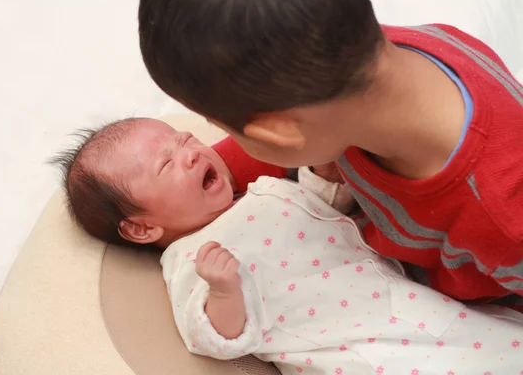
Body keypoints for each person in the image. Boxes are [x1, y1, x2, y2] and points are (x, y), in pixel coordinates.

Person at [138, 0, 523, 310]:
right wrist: (175, 211)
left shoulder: (503, 217)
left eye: (217, 125)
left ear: (280, 133)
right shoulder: (352, 52)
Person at [52, 117, 523, 374]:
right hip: (357, 350)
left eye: (185, 138)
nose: (191, 151)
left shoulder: (259, 191)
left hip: (409, 303)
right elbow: (213, 336)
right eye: (166, 163)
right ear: (141, 229)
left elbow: (323, 210)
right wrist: (222, 292)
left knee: (501, 345)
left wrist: (324, 172)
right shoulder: (191, 258)